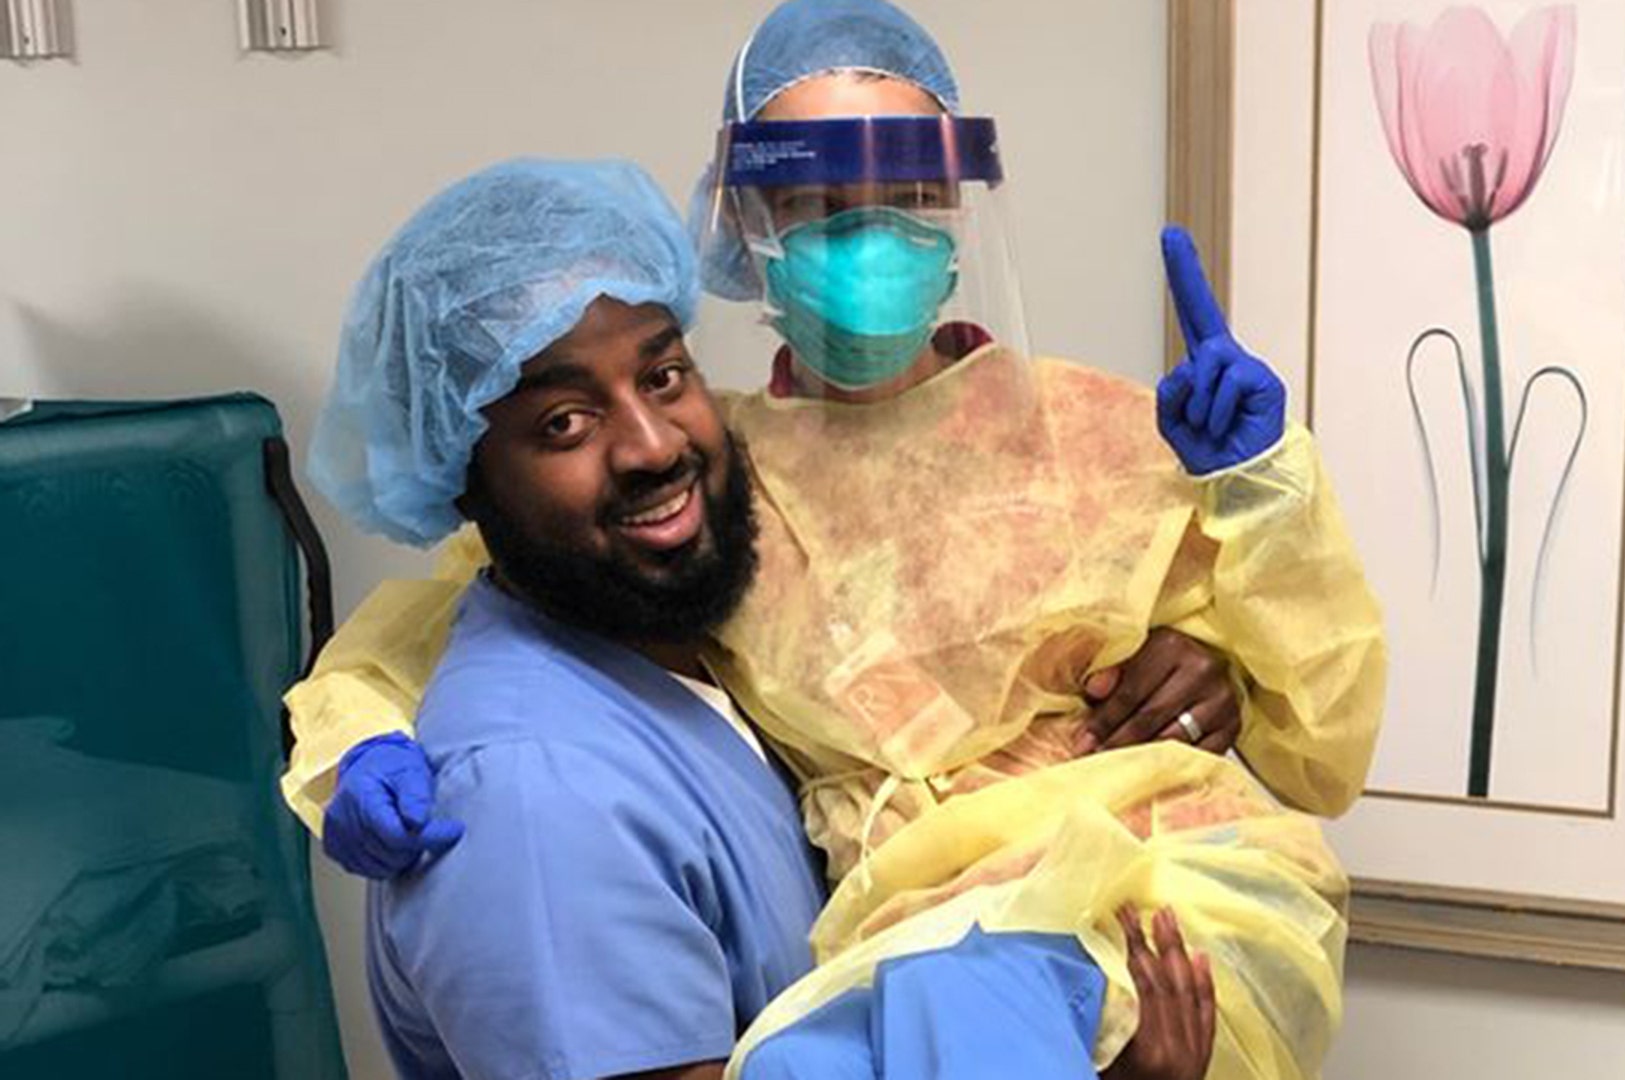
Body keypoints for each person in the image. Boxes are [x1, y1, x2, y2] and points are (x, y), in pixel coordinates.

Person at [291, 3, 1385, 1077]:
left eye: (907, 198)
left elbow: (1320, 751)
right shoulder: (715, 480)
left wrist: (1260, 498)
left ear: (955, 207)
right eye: (818, 203)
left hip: (1161, 902)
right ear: (745, 226)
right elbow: (462, 613)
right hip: (913, 946)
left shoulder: (1103, 434)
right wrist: (356, 741)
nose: (870, 240)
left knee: (952, 1004)